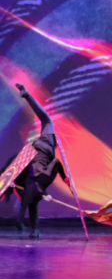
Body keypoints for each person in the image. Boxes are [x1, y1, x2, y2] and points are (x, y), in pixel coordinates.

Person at [13, 84, 71, 238]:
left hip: (36, 166)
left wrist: (64, 178)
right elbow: (55, 164)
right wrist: (64, 178)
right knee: (33, 202)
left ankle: (35, 229)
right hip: (37, 165)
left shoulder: (45, 150)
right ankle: (35, 230)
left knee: (46, 120)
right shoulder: (47, 152)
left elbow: (21, 165)